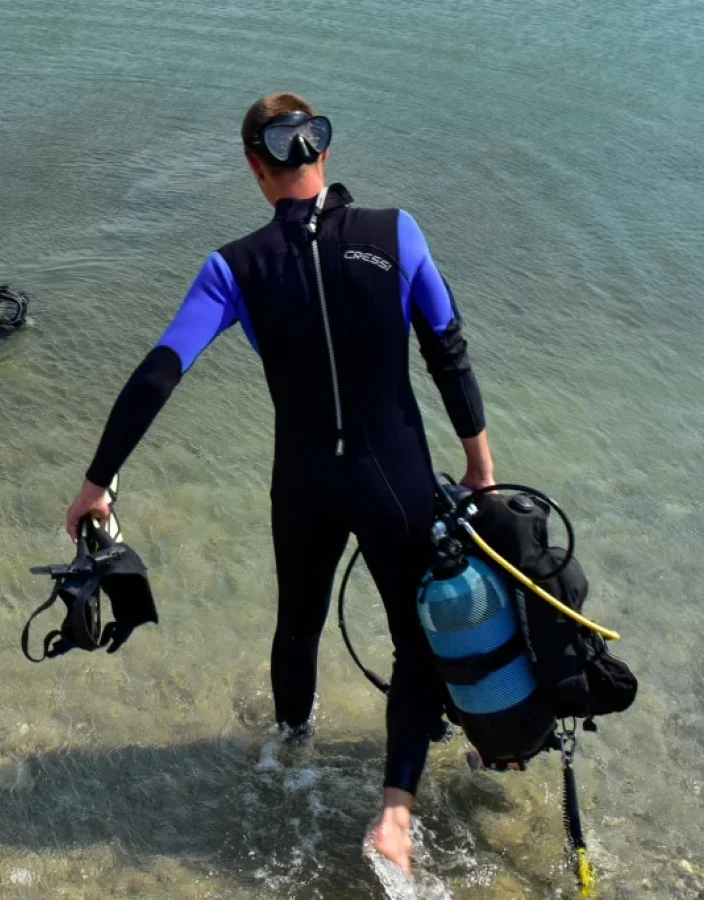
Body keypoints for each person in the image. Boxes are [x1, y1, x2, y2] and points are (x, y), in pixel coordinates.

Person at [63, 92, 496, 875]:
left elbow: (162, 370)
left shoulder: (233, 266)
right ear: (322, 154)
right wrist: (480, 467)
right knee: (414, 642)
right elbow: (448, 350)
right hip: (395, 476)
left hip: (301, 484)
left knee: (297, 627)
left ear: (255, 169)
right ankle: (394, 817)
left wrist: (99, 480)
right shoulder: (397, 232)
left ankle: (288, 761)